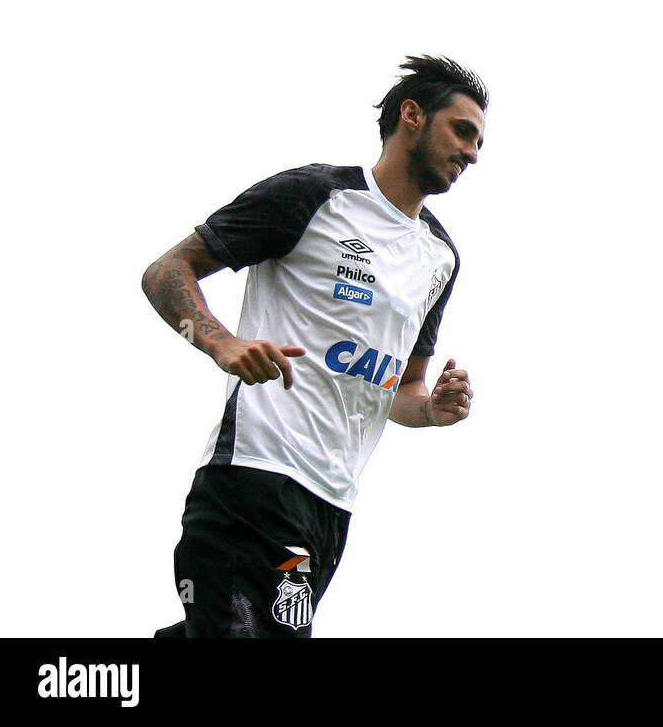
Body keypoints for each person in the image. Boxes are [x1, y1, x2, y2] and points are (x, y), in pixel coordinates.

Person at [143, 55, 487, 637]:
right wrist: (222, 343)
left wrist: (432, 410)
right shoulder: (315, 194)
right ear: (412, 116)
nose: (473, 154)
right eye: (463, 131)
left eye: (479, 142)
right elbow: (165, 271)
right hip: (253, 476)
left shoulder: (440, 259)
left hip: (330, 509)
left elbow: (403, 389)